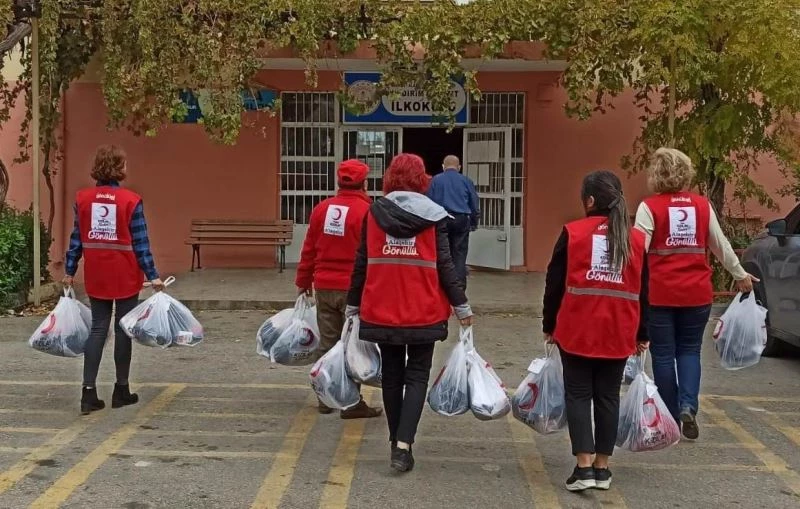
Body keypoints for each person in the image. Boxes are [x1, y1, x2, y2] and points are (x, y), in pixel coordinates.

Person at [347, 153, 473, 473]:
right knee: (416, 376)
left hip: (382, 307)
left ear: (390, 177)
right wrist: (461, 307)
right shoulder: (435, 217)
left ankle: (395, 441)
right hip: (424, 309)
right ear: (422, 179)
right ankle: (404, 446)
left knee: (391, 376)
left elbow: (362, 262)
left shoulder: (374, 213)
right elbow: (445, 266)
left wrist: (352, 304)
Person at [634, 147, 759, 440]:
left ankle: (670, 413)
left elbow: (637, 252)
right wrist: (739, 275)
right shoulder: (702, 206)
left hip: (660, 294)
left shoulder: (648, 208)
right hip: (697, 293)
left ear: (656, 175)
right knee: (689, 351)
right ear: (685, 173)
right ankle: (688, 405)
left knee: (663, 355)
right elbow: (720, 245)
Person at [542, 170, 649, 492]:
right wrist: (642, 333)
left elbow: (554, 283)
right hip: (620, 327)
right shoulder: (636, 238)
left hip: (577, 326)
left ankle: (584, 465)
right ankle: (603, 467)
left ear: (589, 201)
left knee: (578, 394)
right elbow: (645, 290)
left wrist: (549, 324)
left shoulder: (573, 232)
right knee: (607, 396)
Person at [62, 145, 164, 415]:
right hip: (126, 273)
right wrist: (153, 275)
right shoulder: (131, 201)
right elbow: (141, 242)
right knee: (123, 329)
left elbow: (77, 239)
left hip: (97, 273)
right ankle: (121, 390)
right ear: (118, 168)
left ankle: (88, 393)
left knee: (98, 329)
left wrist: (70, 270)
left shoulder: (83, 199)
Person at [296, 159, 382, 419]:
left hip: (323, 286)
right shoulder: (368, 212)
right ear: (364, 183)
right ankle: (351, 404)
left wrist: (303, 281)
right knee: (352, 347)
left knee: (327, 342)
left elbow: (309, 248)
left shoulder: (322, 209)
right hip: (354, 289)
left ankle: (325, 398)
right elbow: (373, 254)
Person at [427, 155, 479, 289]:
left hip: (441, 219)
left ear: (443, 166)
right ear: (459, 167)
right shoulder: (466, 181)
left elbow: (428, 202)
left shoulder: (435, 180)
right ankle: (459, 289)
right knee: (459, 255)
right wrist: (474, 222)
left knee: (442, 254)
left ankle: (442, 287)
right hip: (461, 219)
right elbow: (474, 203)